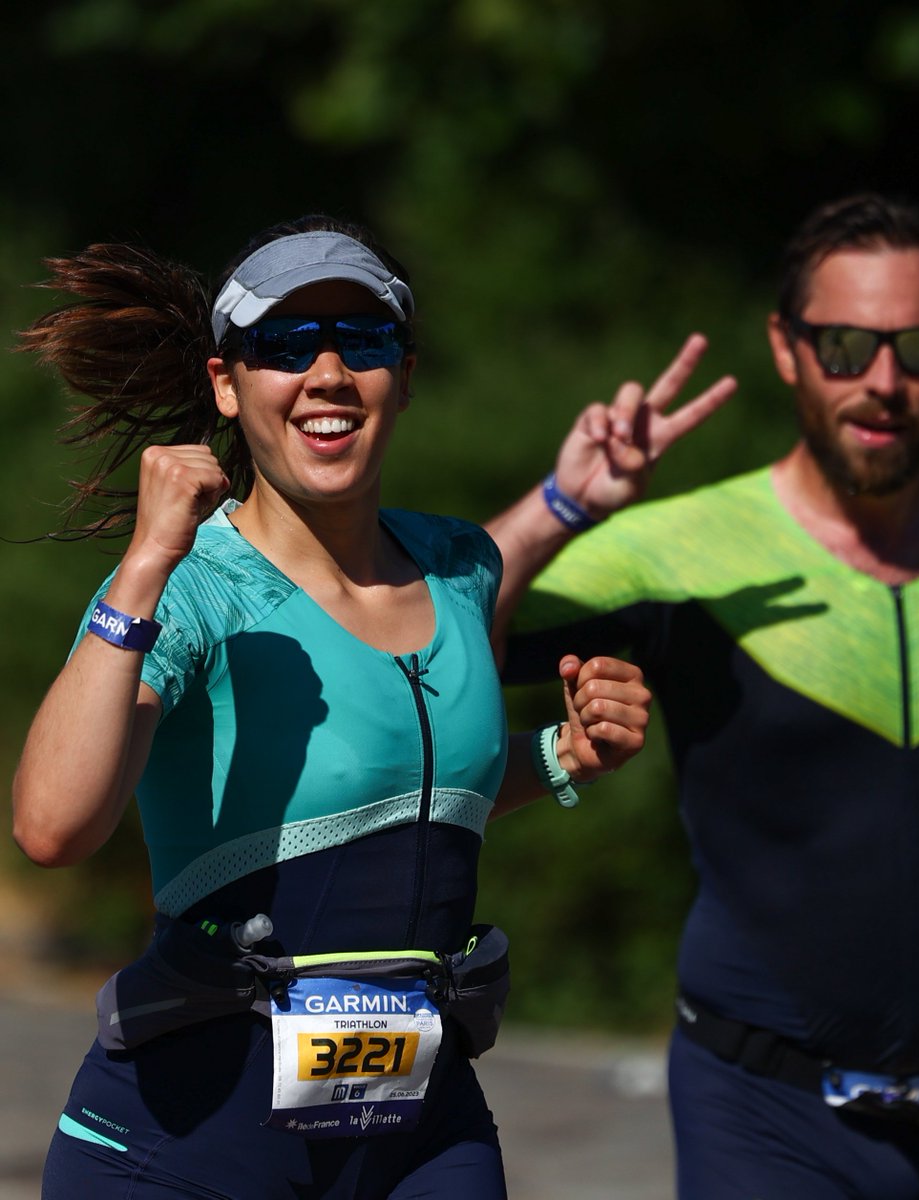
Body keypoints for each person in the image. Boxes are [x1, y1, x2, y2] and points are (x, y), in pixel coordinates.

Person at [486, 192, 919, 1199]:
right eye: (847, 345)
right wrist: (560, 510)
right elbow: (437, 646)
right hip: (761, 1112)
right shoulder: (677, 551)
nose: (886, 381)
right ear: (787, 348)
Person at [10, 215, 653, 1199]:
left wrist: (565, 752)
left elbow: (413, 787)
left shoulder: (454, 569)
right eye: (282, 345)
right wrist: (141, 568)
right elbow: (52, 825)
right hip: (186, 1148)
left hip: (420, 1139)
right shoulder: (191, 589)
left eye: (362, 341)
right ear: (227, 382)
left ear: (403, 373)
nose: (326, 372)